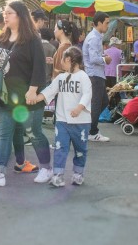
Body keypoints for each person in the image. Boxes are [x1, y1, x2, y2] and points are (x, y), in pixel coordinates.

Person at [0, 1, 49, 187]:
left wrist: (33, 91)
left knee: (34, 134)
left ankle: (46, 168)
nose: (5, 16)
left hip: (27, 98)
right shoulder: (2, 38)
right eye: (4, 13)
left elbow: (40, 67)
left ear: (20, 16)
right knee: (3, 134)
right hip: (6, 97)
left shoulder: (32, 39)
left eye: (9, 13)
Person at [29, 46, 91, 187]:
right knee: (59, 147)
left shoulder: (83, 77)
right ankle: (58, 175)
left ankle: (78, 174)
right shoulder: (60, 78)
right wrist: (36, 98)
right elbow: (49, 91)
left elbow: (87, 94)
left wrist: (79, 107)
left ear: (68, 59)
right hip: (62, 120)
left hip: (81, 121)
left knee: (81, 149)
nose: (60, 62)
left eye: (62, 59)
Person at [82, 12, 112, 142]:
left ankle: (89, 127)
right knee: (97, 103)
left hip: (96, 74)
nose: (108, 25)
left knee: (103, 101)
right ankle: (92, 131)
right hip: (94, 74)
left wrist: (104, 56)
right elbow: (94, 58)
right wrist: (105, 59)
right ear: (99, 23)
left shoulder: (96, 36)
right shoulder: (94, 37)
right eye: (106, 23)